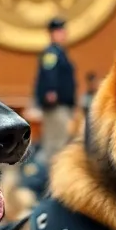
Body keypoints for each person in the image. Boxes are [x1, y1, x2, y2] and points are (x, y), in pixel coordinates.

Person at [33, 16, 76, 162]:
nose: (64, 33)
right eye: (60, 31)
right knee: (56, 144)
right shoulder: (52, 53)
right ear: (52, 33)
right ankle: (50, 180)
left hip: (62, 105)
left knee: (60, 142)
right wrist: (51, 91)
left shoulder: (59, 52)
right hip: (56, 106)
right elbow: (49, 72)